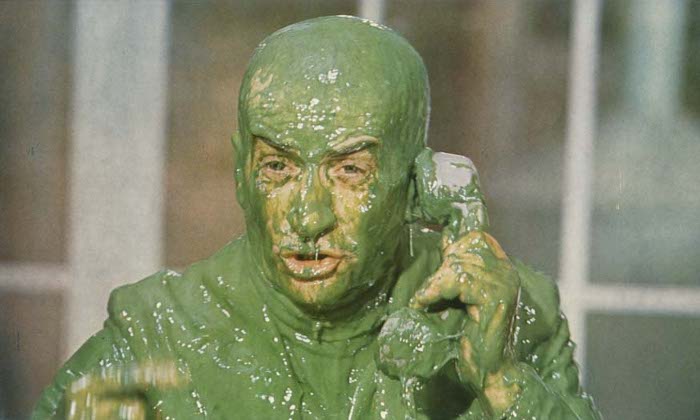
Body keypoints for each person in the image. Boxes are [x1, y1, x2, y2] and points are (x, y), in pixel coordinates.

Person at [33, 16, 601, 419]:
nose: (307, 218)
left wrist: (501, 383)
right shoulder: (158, 333)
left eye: (350, 171)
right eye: (277, 167)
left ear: (420, 184)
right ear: (241, 174)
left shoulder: (515, 316)